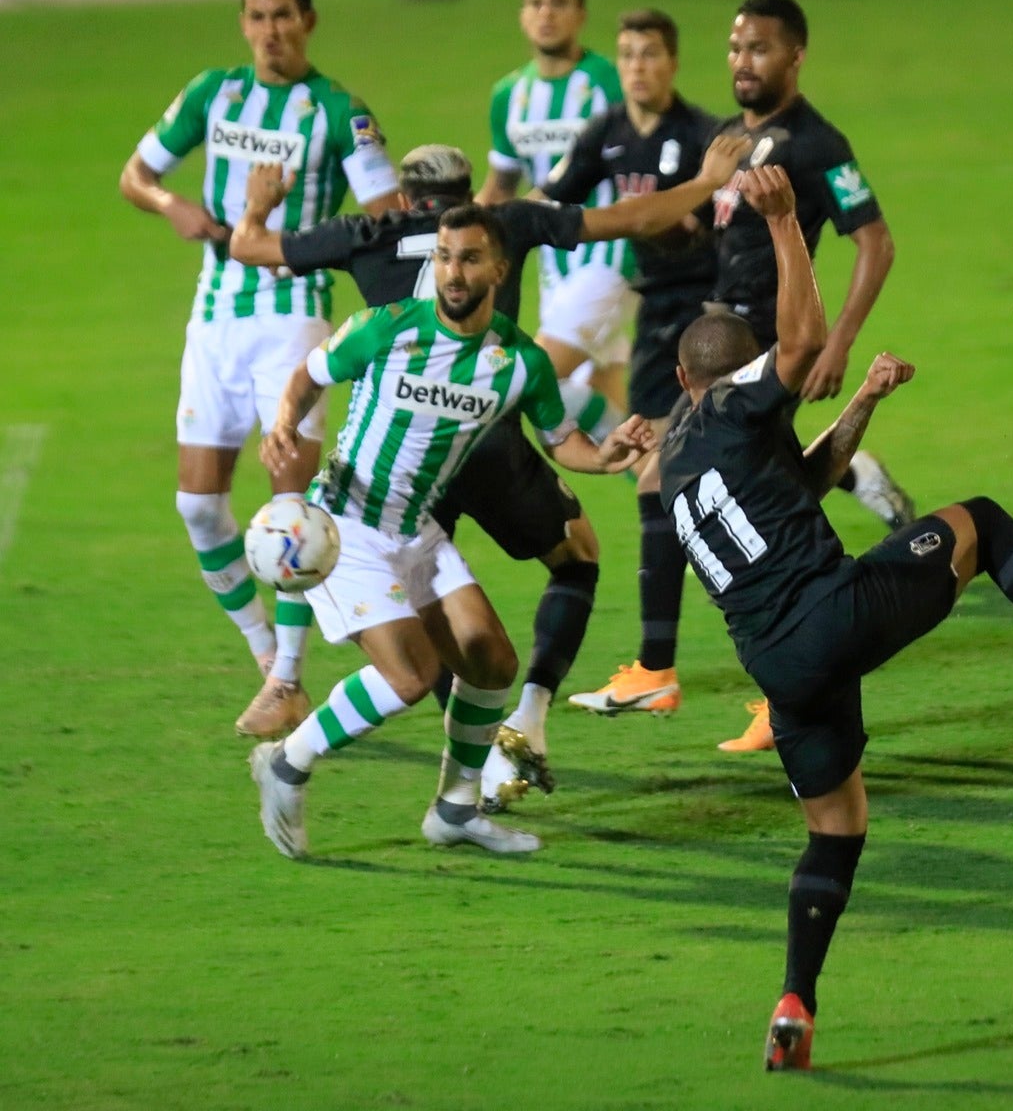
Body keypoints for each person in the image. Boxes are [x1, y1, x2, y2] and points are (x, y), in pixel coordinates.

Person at [658, 165, 1013, 1070]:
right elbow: (803, 336)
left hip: (781, 671)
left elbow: (808, 483)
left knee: (839, 830)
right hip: (834, 615)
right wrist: (786, 223)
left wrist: (863, 402)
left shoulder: (682, 456)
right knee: (978, 523)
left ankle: (795, 1002)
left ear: (680, 376)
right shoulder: (745, 402)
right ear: (735, 371)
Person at [232, 131, 746, 800]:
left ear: (407, 196)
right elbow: (630, 218)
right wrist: (706, 181)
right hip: (487, 441)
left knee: (460, 646)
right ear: (466, 197)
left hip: (408, 467)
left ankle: (436, 780)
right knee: (573, 556)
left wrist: (256, 206)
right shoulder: (507, 227)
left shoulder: (369, 233)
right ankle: (518, 727)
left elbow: (250, 249)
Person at [248, 205, 654, 859]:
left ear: (499, 267)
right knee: (410, 677)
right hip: (346, 523)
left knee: (491, 660)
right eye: (443, 256)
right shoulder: (386, 329)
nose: (453, 272)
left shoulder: (520, 362)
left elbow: (564, 442)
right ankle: (287, 763)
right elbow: (309, 374)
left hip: (417, 531)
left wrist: (607, 455)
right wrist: (285, 424)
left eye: (468, 258)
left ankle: (455, 809)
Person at [118, 0, 402, 741]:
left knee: (290, 509)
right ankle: (268, 657)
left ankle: (287, 680)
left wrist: (302, 241)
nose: (269, 30)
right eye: (256, 16)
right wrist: (173, 205)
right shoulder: (215, 93)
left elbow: (387, 218)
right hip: (212, 323)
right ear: (243, 23)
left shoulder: (340, 112)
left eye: (283, 15)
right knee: (198, 506)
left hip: (292, 322)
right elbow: (135, 175)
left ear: (308, 21)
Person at [701, 0, 916, 751]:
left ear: (795, 56)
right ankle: (858, 475)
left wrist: (838, 343)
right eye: (734, 48)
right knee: (764, 495)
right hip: (719, 342)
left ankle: (793, 684)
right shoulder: (729, 137)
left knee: (765, 509)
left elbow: (876, 242)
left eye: (758, 49)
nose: (742, 62)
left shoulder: (818, 142)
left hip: (775, 343)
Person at [540, 10, 725, 720]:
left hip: (710, 323)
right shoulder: (609, 133)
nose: (638, 65)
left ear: (673, 62)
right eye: (626, 55)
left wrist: (694, 220)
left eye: (649, 53)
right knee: (678, 475)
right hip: (656, 322)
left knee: (661, 476)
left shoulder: (703, 138)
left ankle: (659, 667)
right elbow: (555, 200)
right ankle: (659, 666)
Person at [476, 0, 632, 433]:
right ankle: (664, 496)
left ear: (580, 14)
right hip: (553, 271)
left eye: (559, 2)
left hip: (608, 259)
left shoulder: (609, 80)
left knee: (527, 378)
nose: (547, 13)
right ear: (524, 15)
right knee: (610, 424)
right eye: (536, 3)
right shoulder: (509, 95)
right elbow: (501, 185)